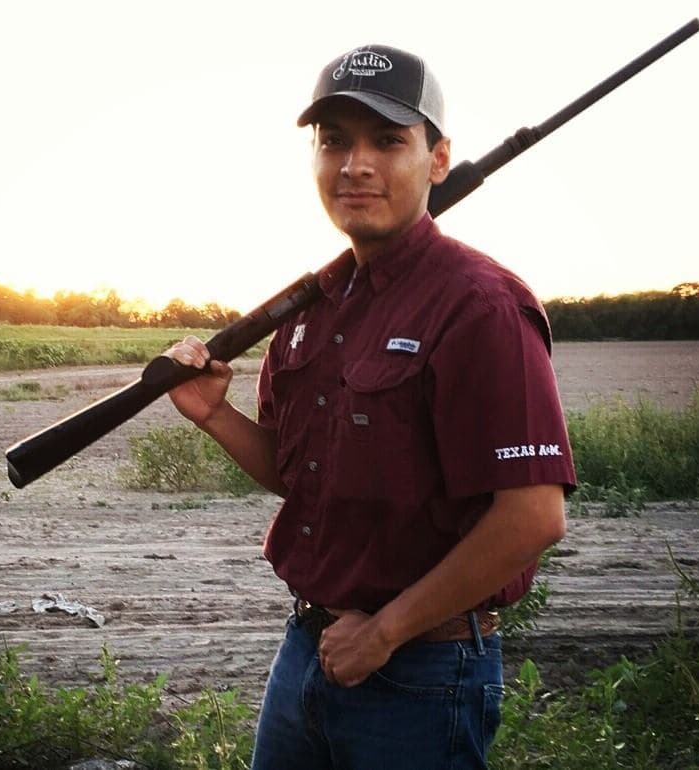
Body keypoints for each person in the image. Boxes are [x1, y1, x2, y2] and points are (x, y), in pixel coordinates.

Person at [166, 44, 576, 770]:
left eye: (388, 141)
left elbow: (531, 516)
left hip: (420, 673)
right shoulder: (314, 308)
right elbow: (303, 477)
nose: (355, 165)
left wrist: (385, 632)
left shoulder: (479, 305)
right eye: (334, 141)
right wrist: (213, 415)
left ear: (438, 159)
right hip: (306, 650)